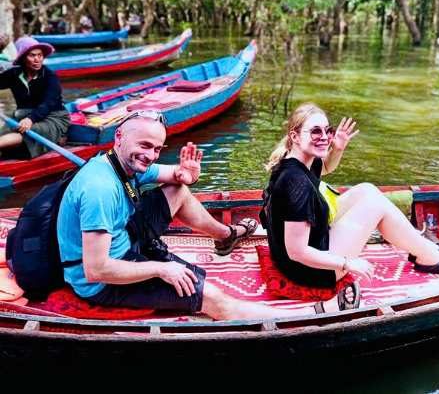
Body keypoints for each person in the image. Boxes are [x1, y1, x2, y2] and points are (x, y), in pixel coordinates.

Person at [56, 111, 344, 319]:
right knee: (214, 298)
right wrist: (161, 268)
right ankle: (309, 315)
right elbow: (97, 270)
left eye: (157, 148)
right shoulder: (100, 189)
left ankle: (226, 235)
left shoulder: (123, 164)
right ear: (118, 137)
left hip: (127, 237)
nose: (151, 155)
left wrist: (187, 176)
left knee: (177, 189)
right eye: (144, 146)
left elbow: (174, 175)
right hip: (102, 280)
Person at [261, 103, 439, 291]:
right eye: (315, 131)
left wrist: (338, 148)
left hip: (303, 249)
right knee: (376, 205)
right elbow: (297, 252)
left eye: (327, 130)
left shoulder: (299, 159)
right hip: (308, 271)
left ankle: (422, 247)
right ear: (295, 136)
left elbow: (325, 168)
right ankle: (428, 256)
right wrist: (347, 263)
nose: (324, 136)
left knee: (367, 189)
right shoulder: (296, 183)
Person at [0, 36, 70, 158]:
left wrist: (31, 119)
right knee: (3, 133)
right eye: (32, 55)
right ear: (23, 58)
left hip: (52, 118)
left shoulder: (50, 77)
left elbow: (48, 103)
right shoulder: (14, 74)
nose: (37, 59)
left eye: (40, 55)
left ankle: (58, 135)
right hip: (22, 115)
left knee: (26, 131)